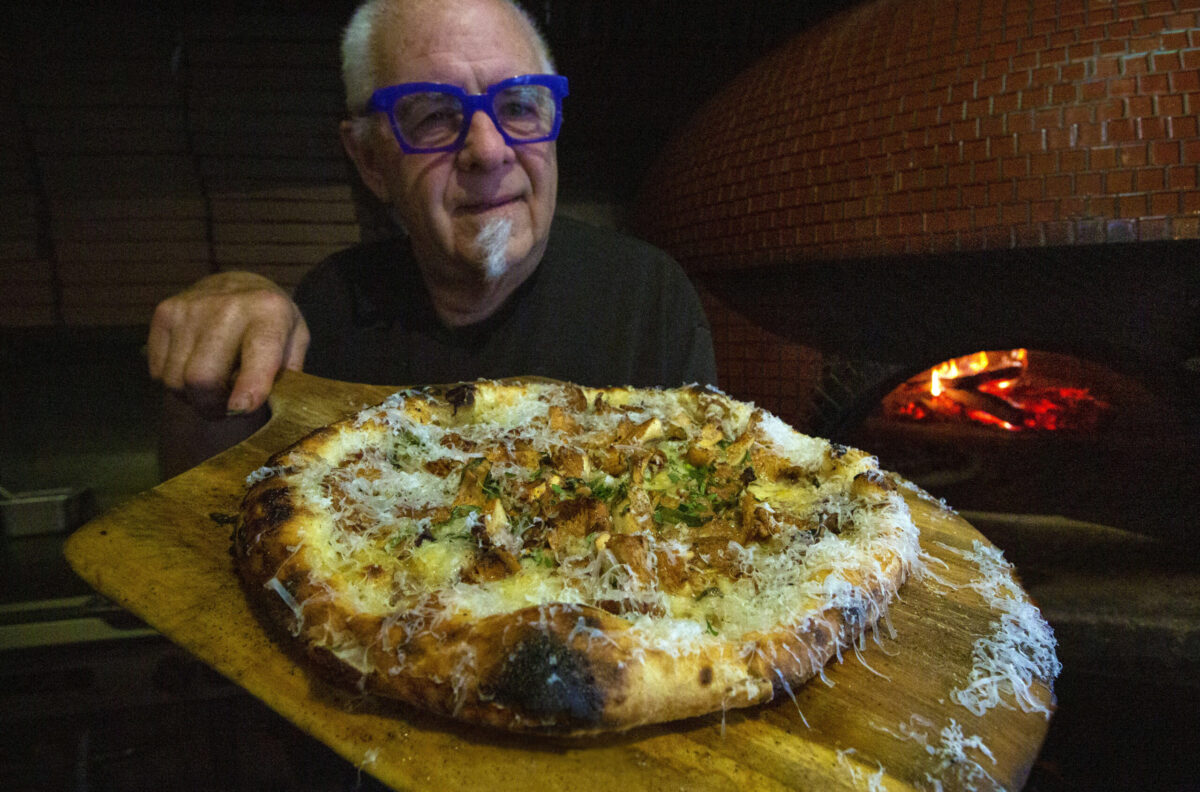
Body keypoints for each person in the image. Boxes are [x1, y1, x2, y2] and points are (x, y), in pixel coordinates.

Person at [148, 0, 717, 476]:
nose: (489, 151)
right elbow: (204, 529)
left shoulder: (648, 300)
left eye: (519, 106)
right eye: (435, 118)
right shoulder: (330, 307)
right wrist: (221, 340)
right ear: (370, 161)